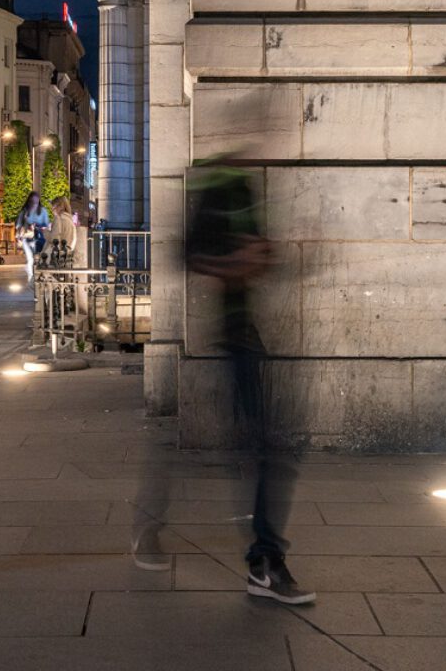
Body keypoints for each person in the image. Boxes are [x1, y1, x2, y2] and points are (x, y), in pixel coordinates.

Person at [137, 158, 313, 605]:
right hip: (232, 335)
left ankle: (257, 559)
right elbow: (191, 254)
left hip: (247, 333)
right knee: (262, 450)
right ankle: (264, 564)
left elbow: (250, 253)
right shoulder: (222, 183)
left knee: (252, 450)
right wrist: (241, 260)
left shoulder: (246, 185)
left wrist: (265, 255)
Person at [15, 192, 50, 283]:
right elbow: (18, 225)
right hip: (27, 237)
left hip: (39, 238)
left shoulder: (43, 211)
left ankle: (38, 275)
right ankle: (31, 277)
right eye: (32, 202)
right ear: (29, 201)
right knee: (30, 259)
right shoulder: (24, 211)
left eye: (36, 202)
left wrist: (38, 226)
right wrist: (21, 233)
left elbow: (46, 224)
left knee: (38, 257)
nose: (34, 204)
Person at [41, 196, 76, 265]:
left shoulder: (58, 218)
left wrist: (45, 231)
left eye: (53, 207)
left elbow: (54, 239)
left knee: (43, 272)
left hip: (55, 256)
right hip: (66, 255)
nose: (51, 209)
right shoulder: (70, 220)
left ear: (60, 207)